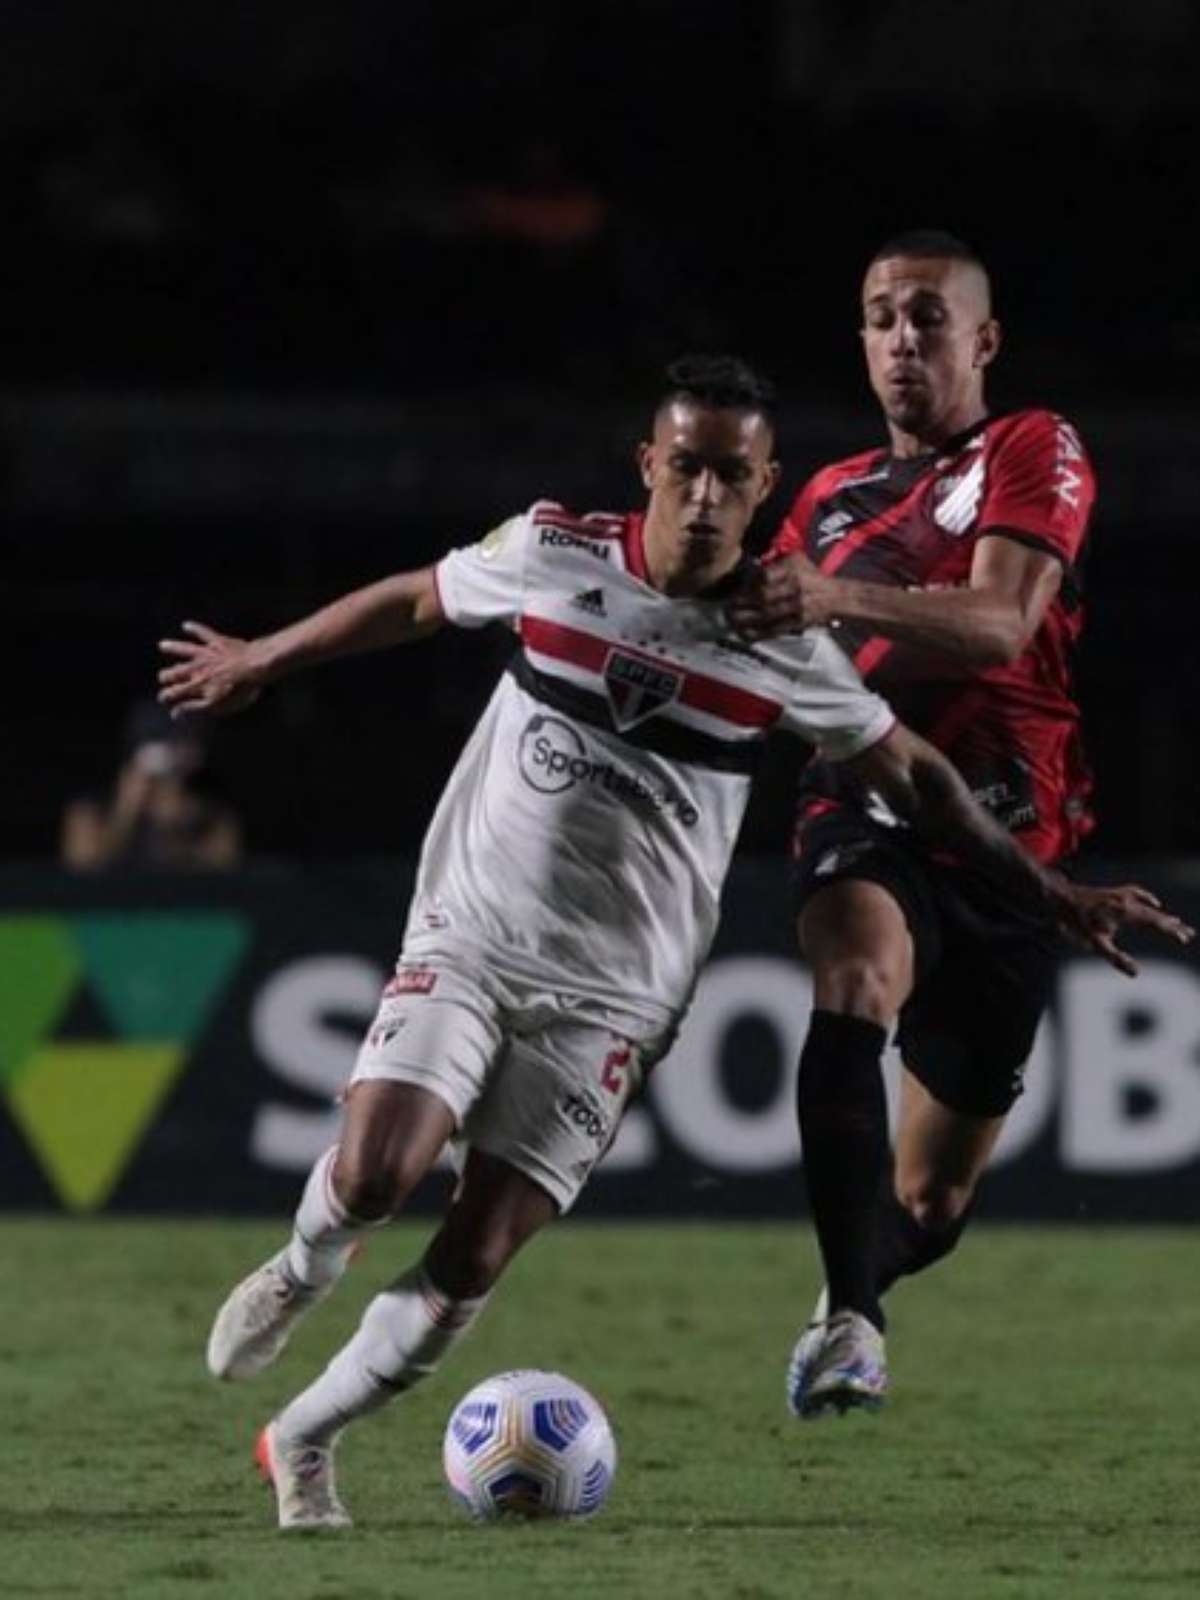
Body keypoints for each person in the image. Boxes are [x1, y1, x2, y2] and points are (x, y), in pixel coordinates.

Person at [158, 355, 1186, 1530]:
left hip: (617, 998)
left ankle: (303, 1436)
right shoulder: (554, 552)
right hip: (477, 933)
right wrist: (259, 658)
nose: (703, 494)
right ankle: (302, 1266)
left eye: (731, 476)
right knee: (374, 1172)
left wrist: (1053, 892)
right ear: (649, 462)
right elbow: (413, 600)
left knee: (479, 1248)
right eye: (686, 465)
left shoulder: (787, 648)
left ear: (765, 491)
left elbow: (926, 781)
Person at [728, 230, 1158, 1420]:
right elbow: (751, 646)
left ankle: (853, 1293)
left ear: (984, 340)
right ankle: (855, 1317)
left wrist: (828, 593)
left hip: (1010, 836)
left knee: (929, 1205)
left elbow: (1000, 626)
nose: (901, 337)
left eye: (927, 315)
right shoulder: (820, 496)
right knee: (856, 978)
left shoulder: (1035, 446)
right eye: (879, 316)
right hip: (866, 794)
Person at [59, 698, 241, 871]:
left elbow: (221, 877)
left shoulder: (211, 811)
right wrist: (124, 814)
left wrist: (172, 827)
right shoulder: (90, 807)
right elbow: (82, 868)